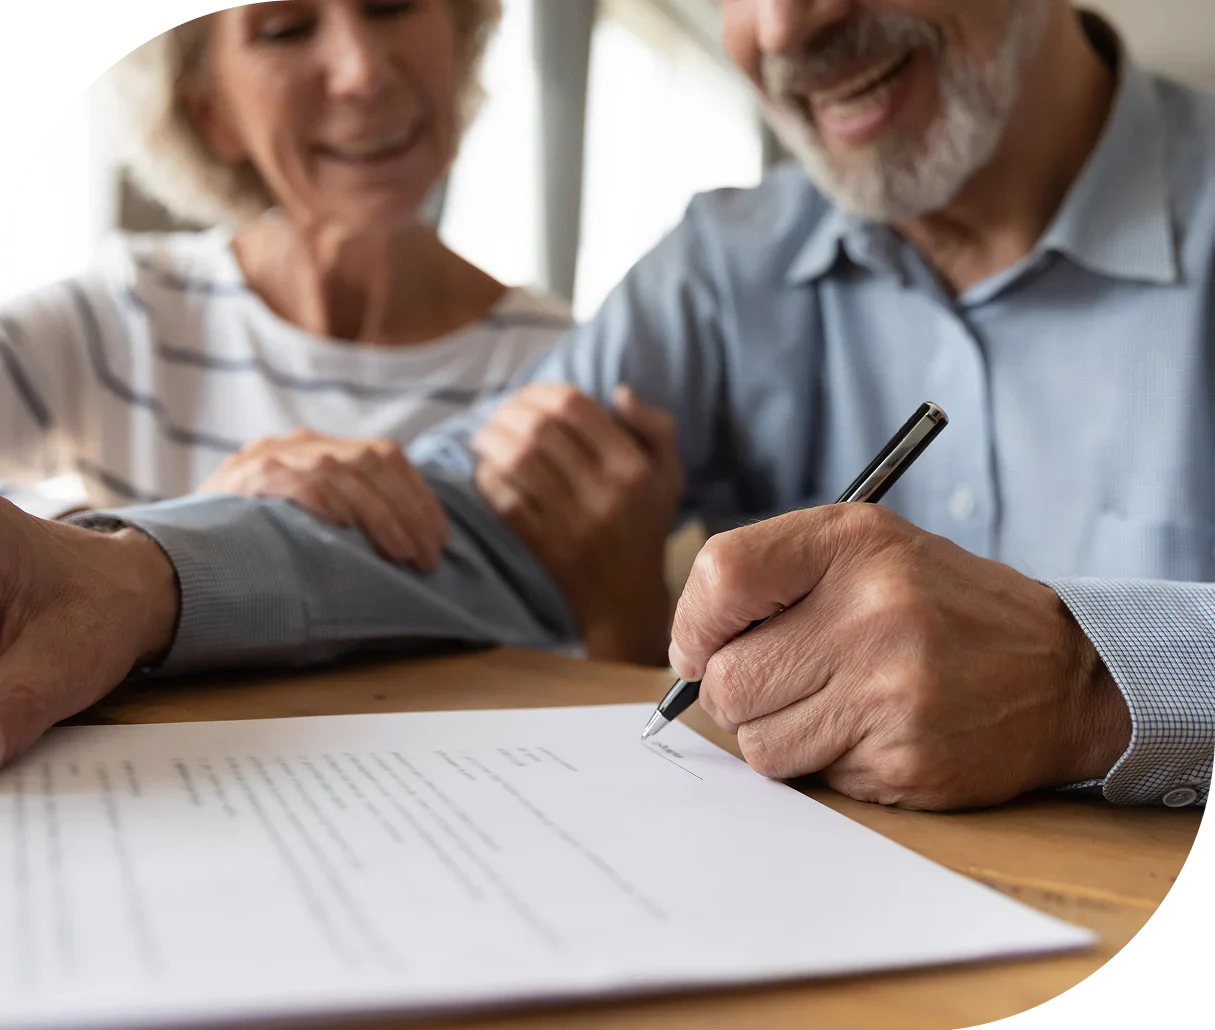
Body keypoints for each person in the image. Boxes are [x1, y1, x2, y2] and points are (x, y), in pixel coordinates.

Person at [1, 0, 1212, 813]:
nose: (786, 26)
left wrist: (1086, 684)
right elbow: (474, 515)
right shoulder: (723, 267)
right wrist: (131, 580)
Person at [0, 0, 574, 571]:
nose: (362, 72)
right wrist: (147, 546)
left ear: (461, 36)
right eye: (285, 31)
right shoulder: (124, 314)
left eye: (392, 6)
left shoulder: (568, 369)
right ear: (211, 113)